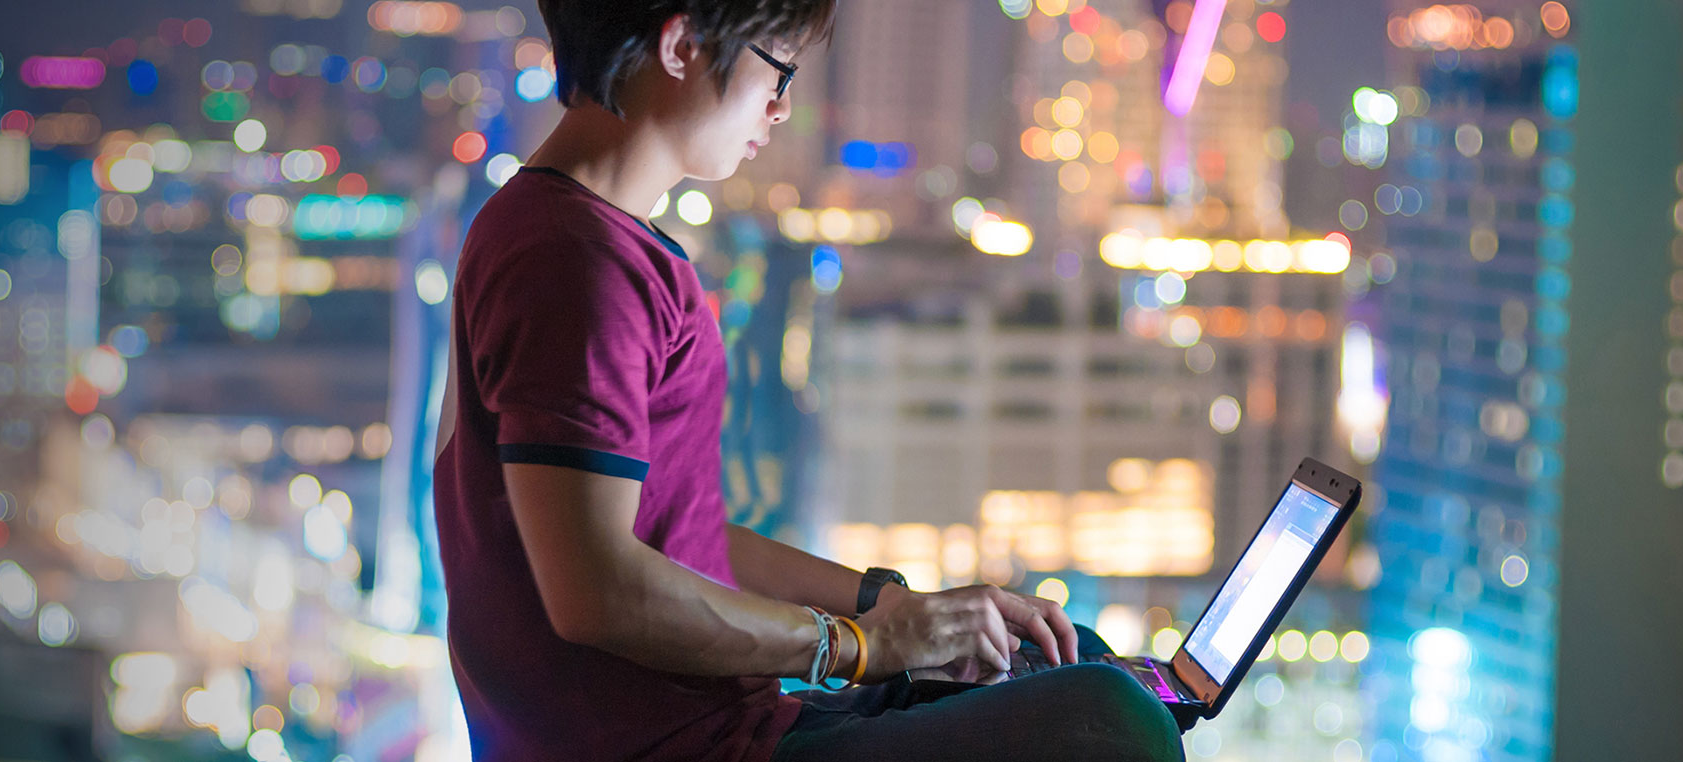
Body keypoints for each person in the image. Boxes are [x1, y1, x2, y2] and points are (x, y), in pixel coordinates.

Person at [433, 1, 1185, 759]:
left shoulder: (576, 234)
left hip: (722, 722)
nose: (783, 105)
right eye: (777, 68)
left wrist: (887, 606)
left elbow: (674, 539)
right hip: (675, 747)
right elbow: (599, 592)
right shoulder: (577, 262)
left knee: (1064, 652)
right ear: (682, 45)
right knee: (1112, 720)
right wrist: (858, 645)